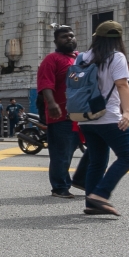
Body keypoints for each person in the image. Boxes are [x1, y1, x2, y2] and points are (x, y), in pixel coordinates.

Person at [76, 21, 129, 216]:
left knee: (97, 161)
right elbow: (122, 85)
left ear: (96, 37)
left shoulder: (81, 57)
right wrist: (127, 112)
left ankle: (91, 203)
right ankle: (100, 195)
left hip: (85, 117)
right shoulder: (116, 56)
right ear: (119, 39)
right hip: (108, 117)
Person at [37, 25, 82, 198]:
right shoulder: (51, 59)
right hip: (61, 116)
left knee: (95, 150)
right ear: (55, 41)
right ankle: (60, 187)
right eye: (64, 36)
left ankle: (82, 181)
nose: (69, 38)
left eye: (71, 35)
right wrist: (52, 103)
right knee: (62, 154)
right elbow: (45, 83)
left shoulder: (81, 58)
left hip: (83, 116)